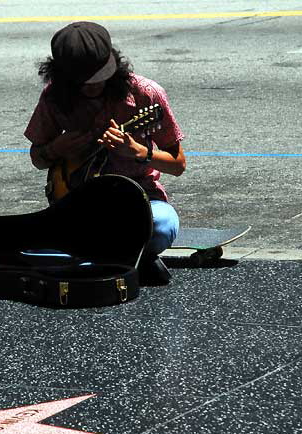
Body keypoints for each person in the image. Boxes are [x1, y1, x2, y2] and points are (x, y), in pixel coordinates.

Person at [24, 21, 186, 284]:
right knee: (29, 242)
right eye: (83, 83)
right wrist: (55, 149)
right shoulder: (54, 97)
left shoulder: (146, 94)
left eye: (100, 77)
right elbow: (37, 158)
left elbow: (178, 165)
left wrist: (137, 151)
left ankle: (91, 256)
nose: (93, 86)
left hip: (140, 201)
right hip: (79, 205)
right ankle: (125, 255)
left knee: (162, 226)